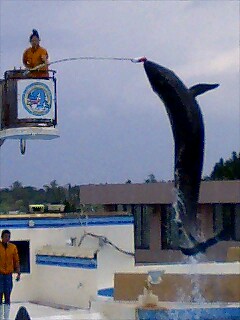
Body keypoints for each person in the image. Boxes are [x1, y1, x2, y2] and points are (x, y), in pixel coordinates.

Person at [0, 230, 20, 320]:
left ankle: (6, 317)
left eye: (8, 236)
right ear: (2, 237)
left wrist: (18, 272)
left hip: (8, 275)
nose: (7, 238)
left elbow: (16, 260)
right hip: (0, 274)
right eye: (5, 236)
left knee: (7, 295)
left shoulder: (13, 247)